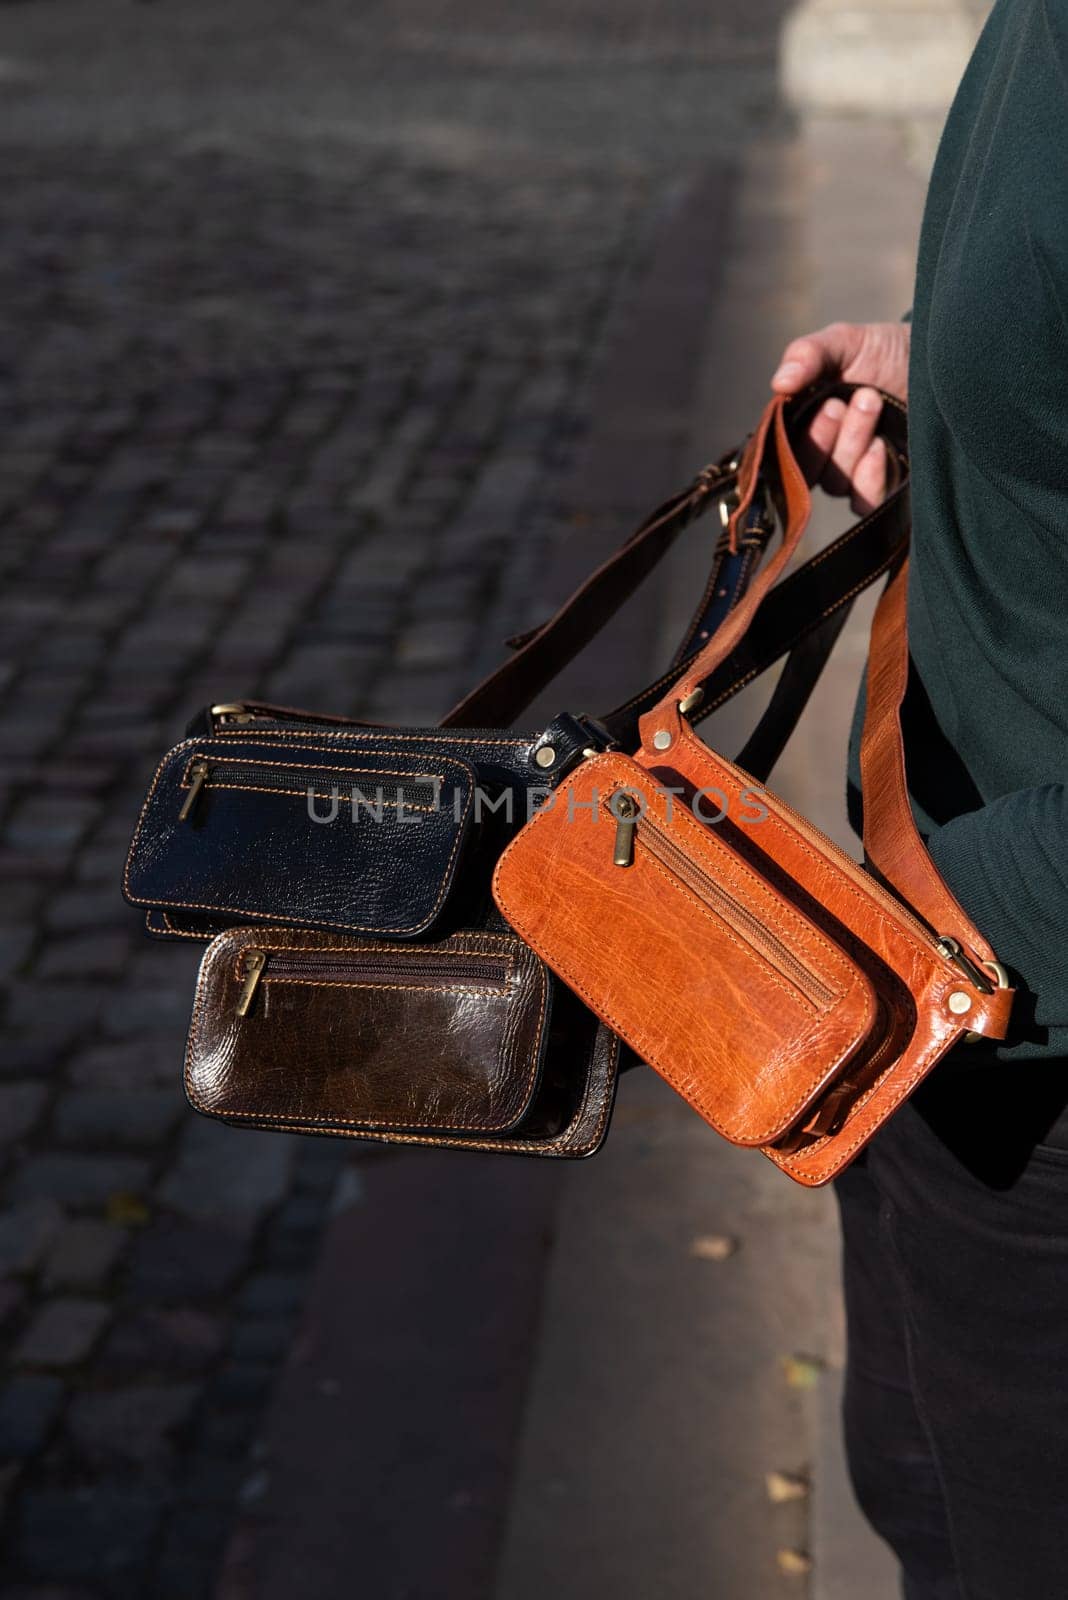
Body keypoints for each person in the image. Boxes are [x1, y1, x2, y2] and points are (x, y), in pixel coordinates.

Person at [768, 3, 1068, 1596]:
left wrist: (990, 914)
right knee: (919, 1499)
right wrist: (956, 362)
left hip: (1029, 1016)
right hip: (946, 969)